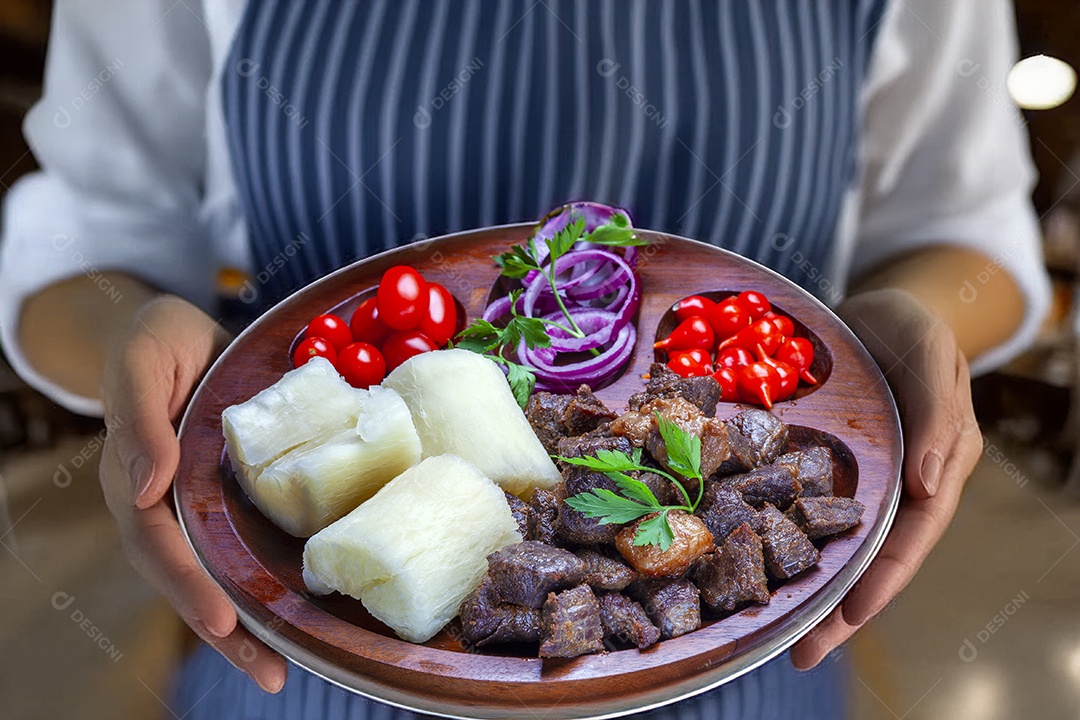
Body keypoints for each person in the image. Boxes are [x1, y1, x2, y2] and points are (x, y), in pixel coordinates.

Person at [0, 1, 1050, 717]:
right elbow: (84, 242)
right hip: (316, 661)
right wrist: (124, 338)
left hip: (751, 678)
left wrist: (918, 327)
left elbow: (969, 231)